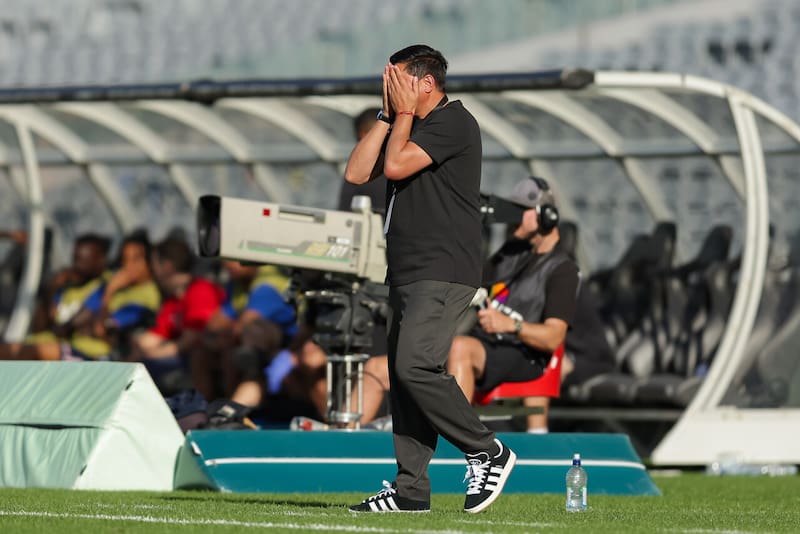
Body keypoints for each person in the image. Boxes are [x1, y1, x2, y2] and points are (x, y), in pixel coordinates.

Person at [344, 44, 514, 514]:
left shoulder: (454, 121)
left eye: (397, 80)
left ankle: (486, 449)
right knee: (405, 382)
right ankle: (410, 490)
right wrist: (387, 113)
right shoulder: (403, 124)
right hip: (406, 270)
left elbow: (395, 166)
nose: (391, 87)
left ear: (425, 82)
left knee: (414, 365)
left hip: (443, 269)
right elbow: (358, 172)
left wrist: (399, 117)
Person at [447, 177, 580, 434]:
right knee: (381, 367)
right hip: (485, 346)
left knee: (459, 348)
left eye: (520, 211)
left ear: (547, 216)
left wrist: (511, 325)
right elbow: (469, 282)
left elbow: (554, 337)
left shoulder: (563, 270)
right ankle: (349, 445)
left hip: (521, 354)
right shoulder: (511, 254)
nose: (511, 218)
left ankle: (457, 442)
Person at [127, 235, 224, 395]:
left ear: (166, 267)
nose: (153, 271)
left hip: (204, 356)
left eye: (154, 264)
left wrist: (152, 354)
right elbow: (155, 336)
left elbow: (193, 338)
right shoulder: (174, 301)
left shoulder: (200, 291)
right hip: (183, 354)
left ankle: (203, 407)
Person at [0, 233, 111, 360]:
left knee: (32, 351)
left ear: (101, 260)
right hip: (51, 348)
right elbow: (39, 327)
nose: (77, 265)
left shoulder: (104, 286)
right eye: (76, 258)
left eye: (85, 260)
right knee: (11, 349)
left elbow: (65, 328)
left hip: (87, 355)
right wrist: (51, 288)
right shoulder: (67, 288)